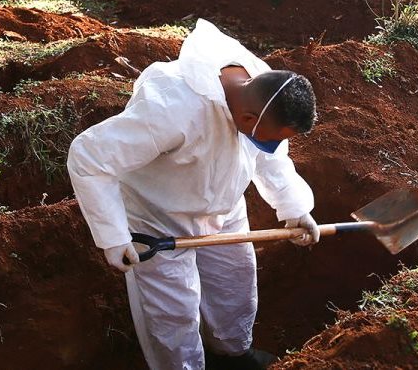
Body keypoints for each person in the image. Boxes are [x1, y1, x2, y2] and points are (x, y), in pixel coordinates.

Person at [67, 19, 321, 370]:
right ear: (248, 117)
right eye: (270, 135)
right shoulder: (172, 108)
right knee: (174, 314)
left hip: (225, 208)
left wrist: (294, 208)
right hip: (159, 218)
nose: (274, 144)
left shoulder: (262, 90)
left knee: (236, 284)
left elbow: (271, 157)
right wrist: (113, 235)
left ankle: (233, 355)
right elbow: (90, 157)